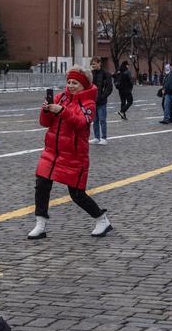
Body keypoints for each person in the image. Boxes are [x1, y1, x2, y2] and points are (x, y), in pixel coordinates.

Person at [28, 69, 111, 240]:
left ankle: (101, 219)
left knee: (77, 194)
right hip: (51, 151)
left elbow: (80, 123)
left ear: (84, 85)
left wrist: (62, 111)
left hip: (74, 155)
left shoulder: (89, 104)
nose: (71, 86)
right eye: (69, 82)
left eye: (75, 83)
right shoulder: (60, 98)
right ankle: (40, 223)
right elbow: (45, 123)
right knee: (42, 184)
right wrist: (45, 111)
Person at [90, 57, 113, 144]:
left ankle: (104, 138)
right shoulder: (91, 74)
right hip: (93, 101)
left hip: (102, 101)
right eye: (92, 64)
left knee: (102, 120)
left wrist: (102, 96)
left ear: (99, 63)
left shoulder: (106, 74)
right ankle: (96, 137)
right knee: (95, 120)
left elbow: (109, 88)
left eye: (94, 63)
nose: (93, 65)